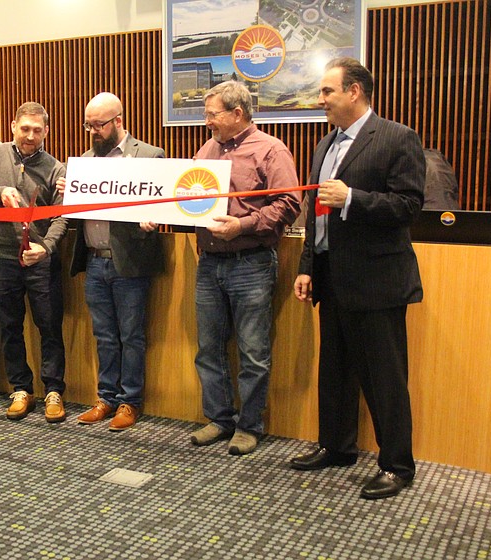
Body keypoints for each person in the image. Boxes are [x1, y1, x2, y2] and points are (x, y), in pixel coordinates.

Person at [290, 58, 425, 500]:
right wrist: (308, 265)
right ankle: (336, 446)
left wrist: (354, 198)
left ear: (355, 91)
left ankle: (397, 465)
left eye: (327, 91)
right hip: (331, 277)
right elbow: (316, 216)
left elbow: (408, 206)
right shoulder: (324, 145)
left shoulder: (396, 137)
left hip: (377, 280)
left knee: (385, 378)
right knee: (336, 370)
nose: (321, 100)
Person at [190, 81, 302, 455]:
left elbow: (289, 203)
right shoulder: (207, 149)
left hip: (250, 263)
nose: (207, 122)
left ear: (237, 114)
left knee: (253, 352)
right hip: (209, 265)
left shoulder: (271, 150)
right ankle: (219, 419)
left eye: (212, 114)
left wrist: (243, 225)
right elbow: (189, 196)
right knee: (209, 348)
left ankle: (250, 426)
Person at [65, 92, 165, 431]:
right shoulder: (83, 161)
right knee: (104, 335)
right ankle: (106, 397)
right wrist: (68, 193)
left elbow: (162, 204)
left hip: (129, 262)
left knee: (131, 336)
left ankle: (130, 401)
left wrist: (153, 217)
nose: (93, 131)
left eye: (99, 125)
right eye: (88, 125)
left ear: (119, 121)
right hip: (94, 261)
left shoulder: (150, 155)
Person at [0, 101, 68, 423]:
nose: (30, 135)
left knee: (49, 327)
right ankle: (20, 389)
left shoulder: (56, 168)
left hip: (40, 261)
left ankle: (53, 391)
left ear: (46, 132)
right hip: (2, 259)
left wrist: (47, 248)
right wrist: (0, 192)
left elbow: (62, 217)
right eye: (25, 128)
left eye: (37, 130)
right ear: (13, 126)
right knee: (9, 326)